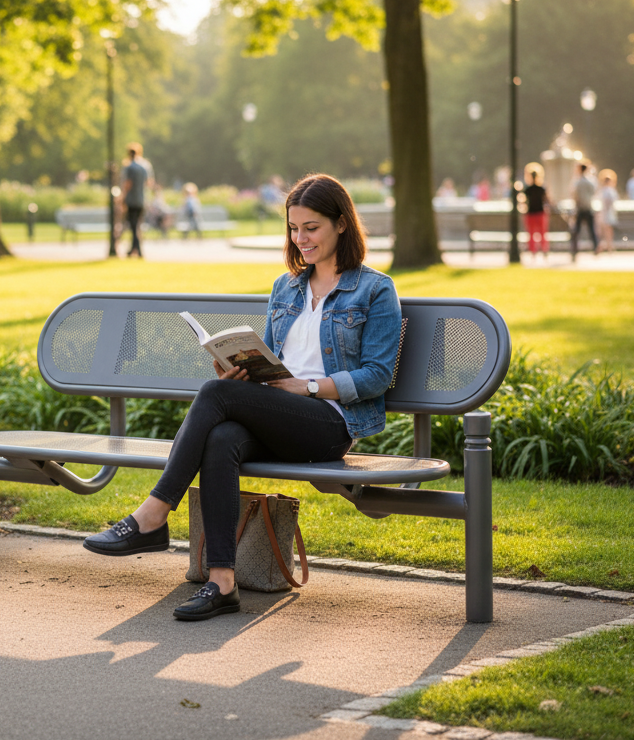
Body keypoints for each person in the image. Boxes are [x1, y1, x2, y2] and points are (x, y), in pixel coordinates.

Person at [83, 174, 403, 621]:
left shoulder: (374, 289)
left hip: (330, 423)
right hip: (278, 414)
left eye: (311, 227)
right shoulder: (286, 287)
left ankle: (153, 515)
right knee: (221, 438)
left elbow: (377, 376)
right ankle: (222, 583)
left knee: (217, 395)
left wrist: (307, 387)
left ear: (342, 224)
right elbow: (268, 357)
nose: (300, 238)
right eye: (294, 228)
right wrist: (241, 371)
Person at [120, 147, 148, 257]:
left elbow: (128, 184)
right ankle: (134, 249)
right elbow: (148, 183)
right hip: (141, 200)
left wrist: (122, 198)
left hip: (131, 200)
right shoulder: (144, 167)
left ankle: (137, 249)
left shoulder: (130, 167)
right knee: (137, 225)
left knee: (133, 225)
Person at [522, 163, 551, 258]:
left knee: (531, 234)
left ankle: (533, 252)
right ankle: (544, 250)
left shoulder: (528, 189)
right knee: (543, 233)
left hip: (531, 212)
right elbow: (547, 200)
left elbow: (523, 201)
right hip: (540, 212)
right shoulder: (542, 189)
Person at [571, 163, 599, 256]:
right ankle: (595, 248)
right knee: (592, 230)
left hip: (580, 208)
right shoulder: (591, 181)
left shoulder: (578, 182)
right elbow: (594, 192)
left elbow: (574, 195)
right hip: (588, 207)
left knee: (576, 231)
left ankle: (574, 250)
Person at [596, 169, 619, 253]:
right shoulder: (609, 190)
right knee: (606, 231)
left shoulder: (605, 191)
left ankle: (606, 246)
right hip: (607, 212)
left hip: (606, 212)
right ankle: (607, 246)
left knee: (605, 231)